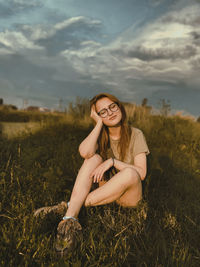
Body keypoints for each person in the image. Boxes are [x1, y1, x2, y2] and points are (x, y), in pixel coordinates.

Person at [34, 93, 150, 254]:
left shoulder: (136, 134)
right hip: (106, 194)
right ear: (98, 116)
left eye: (112, 107)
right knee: (93, 158)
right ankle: (69, 222)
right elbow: (84, 152)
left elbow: (142, 173)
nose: (110, 113)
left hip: (129, 198)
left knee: (130, 173)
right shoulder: (101, 134)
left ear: (119, 107)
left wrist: (113, 162)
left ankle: (68, 206)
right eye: (103, 112)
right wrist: (98, 125)